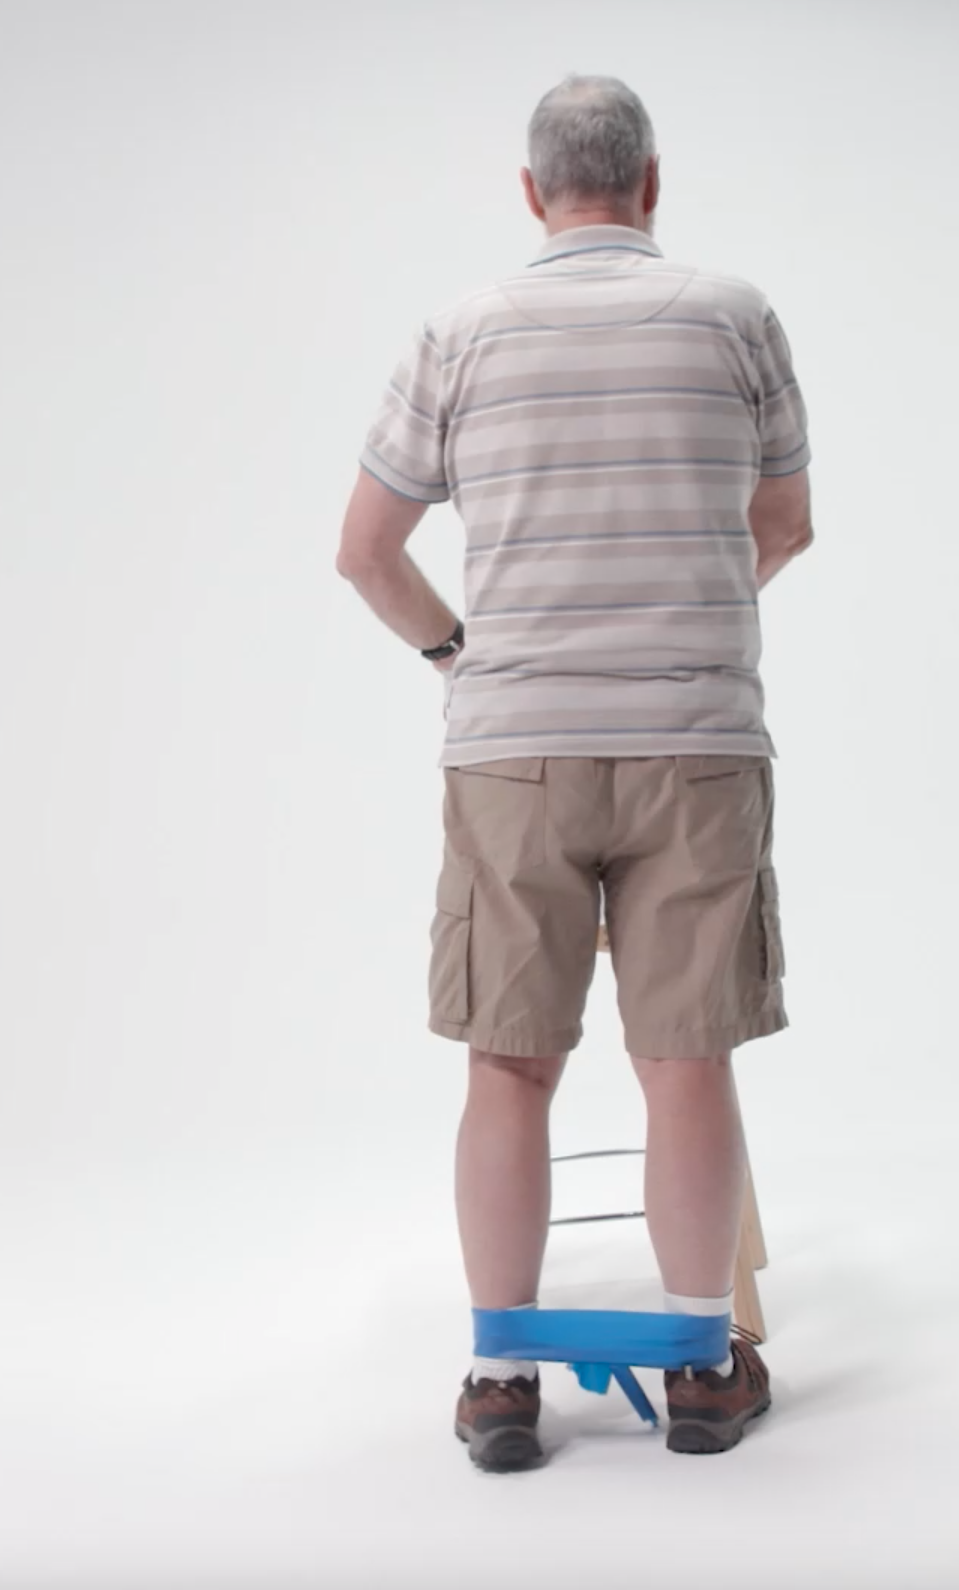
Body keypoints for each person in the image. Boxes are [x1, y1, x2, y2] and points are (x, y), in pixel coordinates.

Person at [332, 72, 815, 1471]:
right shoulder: (736, 317)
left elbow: (365, 551)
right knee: (686, 1058)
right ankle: (704, 1366)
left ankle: (500, 1377)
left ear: (533, 193)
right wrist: (684, 605)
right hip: (696, 747)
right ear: (651, 184)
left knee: (509, 1061)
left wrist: (457, 653)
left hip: (513, 753)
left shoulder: (459, 332)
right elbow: (785, 523)